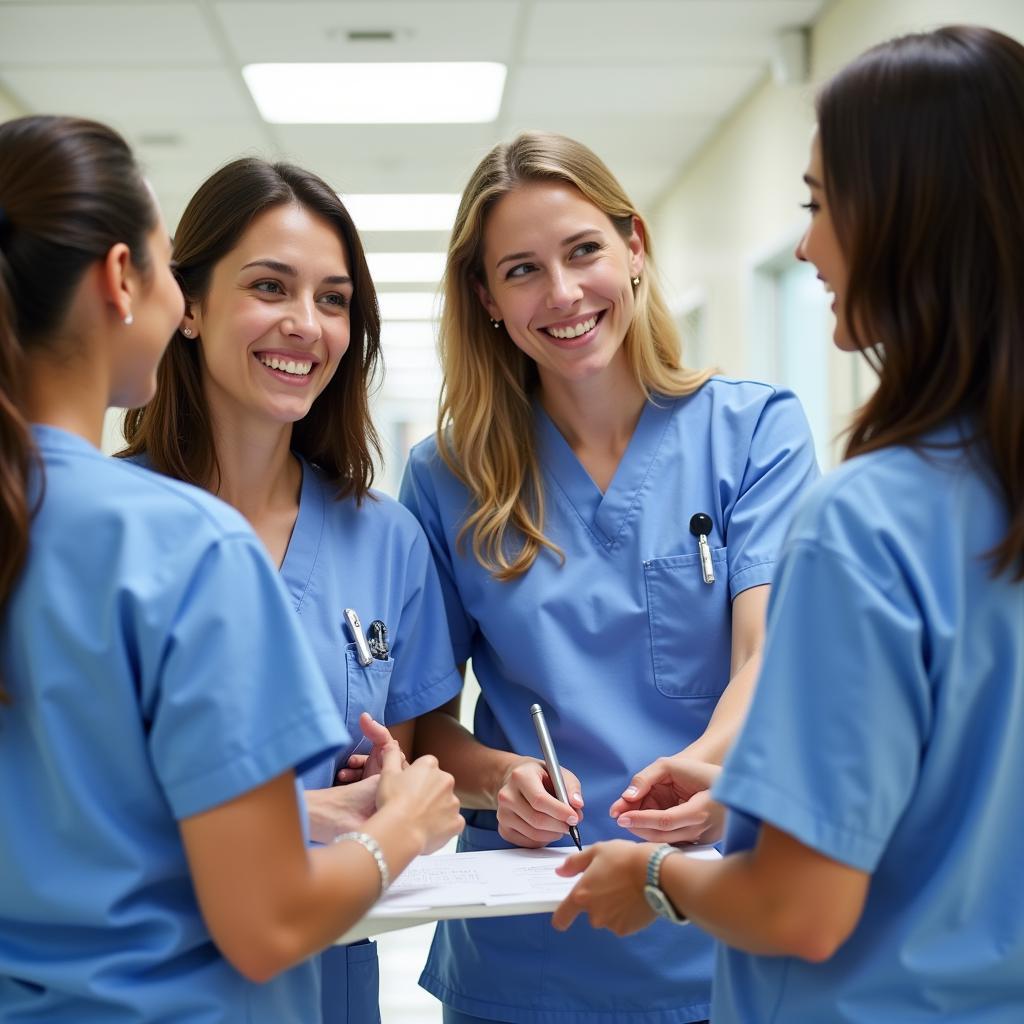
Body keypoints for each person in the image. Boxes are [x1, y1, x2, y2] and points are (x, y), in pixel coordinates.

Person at [552, 23, 1024, 1023]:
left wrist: (651, 876)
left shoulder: (870, 517)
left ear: (906, 217)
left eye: (818, 205)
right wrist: (749, 788)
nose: (807, 244)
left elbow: (800, 908)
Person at [0, 115, 464, 1023]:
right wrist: (398, 829)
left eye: (334, 299)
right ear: (126, 281)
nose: (305, 322)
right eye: (266, 286)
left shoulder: (47, 518)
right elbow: (265, 918)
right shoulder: (186, 546)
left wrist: (310, 814)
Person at [398, 131, 819, 1023]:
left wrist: (709, 772)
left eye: (583, 250)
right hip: (528, 951)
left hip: (723, 933)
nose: (561, 293)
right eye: (520, 270)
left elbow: (768, 652)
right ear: (486, 299)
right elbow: (423, 728)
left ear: (635, 247)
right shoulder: (444, 478)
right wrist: (503, 779)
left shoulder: (755, 433)